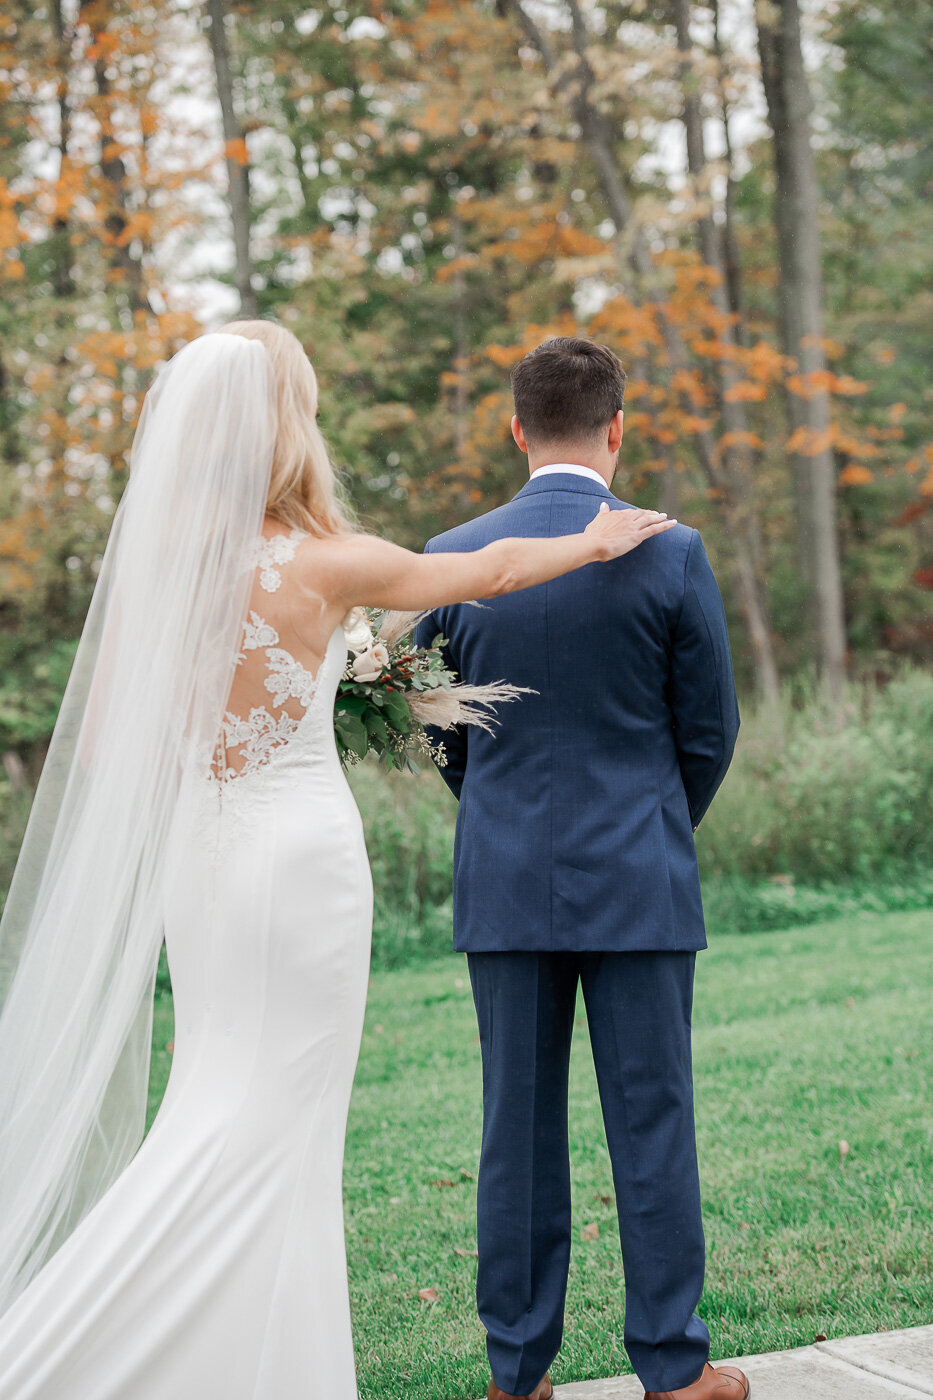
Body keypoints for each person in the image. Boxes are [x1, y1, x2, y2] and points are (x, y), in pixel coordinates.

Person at [0, 322, 674, 1400]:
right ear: (281, 435)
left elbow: (134, 734)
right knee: (271, 1116)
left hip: (201, 864)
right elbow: (491, 568)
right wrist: (595, 542)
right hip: (294, 861)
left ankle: (248, 1363)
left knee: (220, 1094)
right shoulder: (316, 562)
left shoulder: (157, 578)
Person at [414, 337, 747, 1400]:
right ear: (617, 425)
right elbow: (711, 727)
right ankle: (672, 1365)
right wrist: (655, 817)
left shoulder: (452, 553)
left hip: (504, 876)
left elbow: (435, 731)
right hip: (640, 875)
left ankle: (518, 1370)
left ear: (516, 427)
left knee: (514, 1125)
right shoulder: (672, 549)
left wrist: (500, 810)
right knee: (652, 1118)